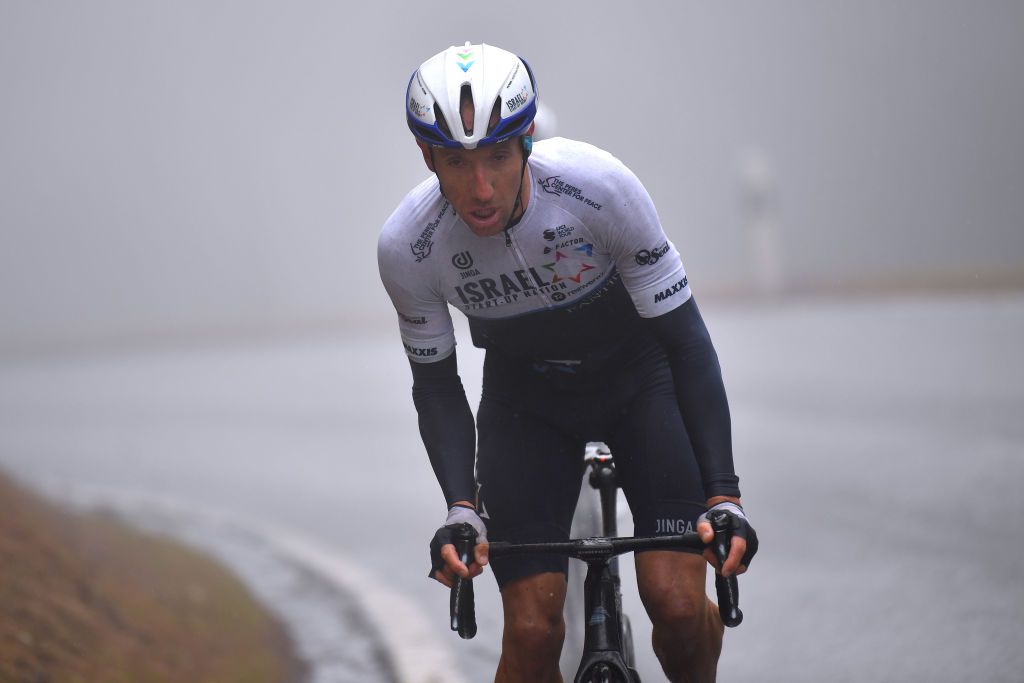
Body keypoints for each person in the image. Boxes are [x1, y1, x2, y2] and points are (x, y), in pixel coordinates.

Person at [377, 41, 758, 683]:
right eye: (456, 161)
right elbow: (437, 387)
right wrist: (460, 509)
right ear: (426, 157)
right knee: (531, 631)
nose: (480, 187)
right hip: (526, 407)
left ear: (527, 140)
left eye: (497, 156)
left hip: (640, 385)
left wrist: (724, 494)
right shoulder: (409, 247)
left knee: (678, 603)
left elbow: (687, 342)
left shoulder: (599, 189)